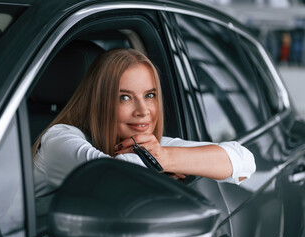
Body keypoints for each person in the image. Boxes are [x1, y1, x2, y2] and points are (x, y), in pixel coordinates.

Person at [32, 48, 255, 208]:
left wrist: (164, 157)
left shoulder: (147, 144)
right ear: (99, 101)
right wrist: (156, 162)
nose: (143, 111)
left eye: (149, 95)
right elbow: (122, 184)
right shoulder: (58, 139)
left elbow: (243, 162)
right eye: (125, 97)